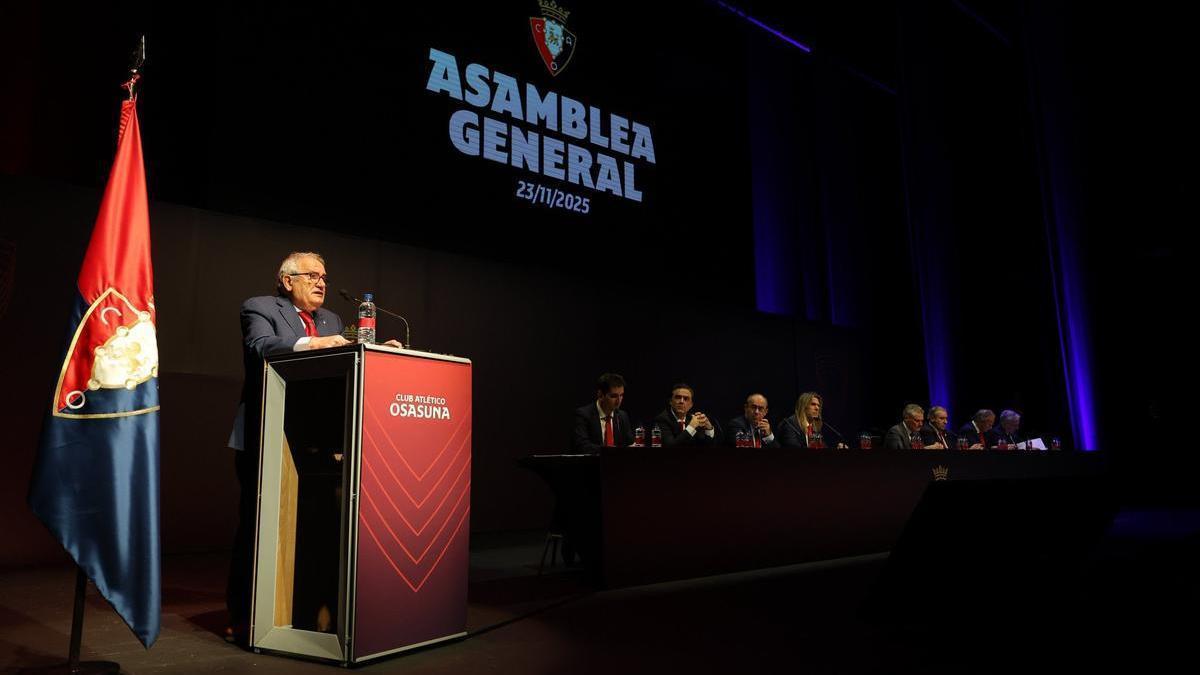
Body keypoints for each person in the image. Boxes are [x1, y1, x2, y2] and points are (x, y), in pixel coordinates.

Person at [225, 252, 396, 644]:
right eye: (312, 275)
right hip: (267, 436)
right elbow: (262, 348)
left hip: (316, 442)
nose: (322, 283)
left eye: (324, 277)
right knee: (255, 530)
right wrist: (316, 343)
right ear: (287, 281)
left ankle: (306, 614)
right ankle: (242, 616)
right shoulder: (260, 307)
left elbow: (339, 358)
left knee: (316, 530)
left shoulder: (331, 319)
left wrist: (374, 351)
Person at [571, 373, 634, 453]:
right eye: (613, 396)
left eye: (621, 395)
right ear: (600, 395)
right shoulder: (583, 415)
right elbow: (582, 446)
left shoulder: (622, 416)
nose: (619, 401)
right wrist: (610, 452)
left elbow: (629, 443)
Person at [651, 383, 717, 446]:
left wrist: (709, 429)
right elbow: (670, 447)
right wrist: (691, 426)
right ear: (670, 401)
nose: (682, 401)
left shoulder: (692, 418)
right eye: (678, 397)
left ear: (691, 405)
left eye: (686, 399)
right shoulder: (662, 419)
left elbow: (706, 447)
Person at [777, 392, 847, 448]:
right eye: (813, 404)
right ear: (803, 406)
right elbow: (794, 451)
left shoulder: (814, 428)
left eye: (818, 405)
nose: (817, 408)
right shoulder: (791, 424)